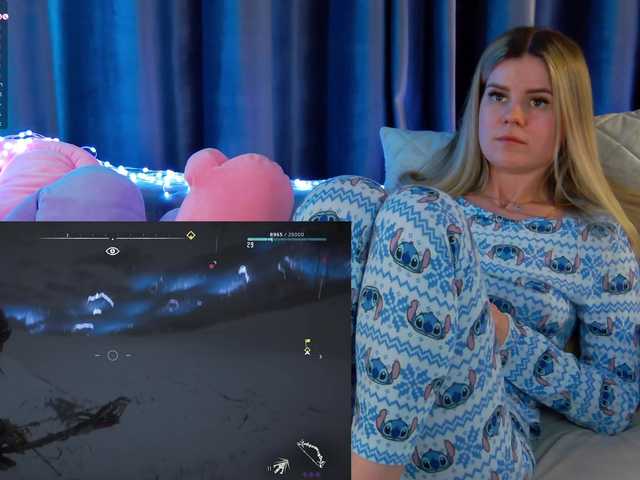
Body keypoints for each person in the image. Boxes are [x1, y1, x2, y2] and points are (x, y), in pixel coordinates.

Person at [294, 26, 640, 479]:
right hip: (357, 406)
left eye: (538, 102)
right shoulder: (418, 202)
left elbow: (616, 404)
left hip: (478, 438)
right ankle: (295, 426)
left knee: (423, 211)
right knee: (345, 196)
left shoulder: (596, 240)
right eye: (497, 96)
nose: (512, 116)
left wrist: (503, 333)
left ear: (569, 117)